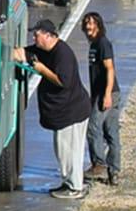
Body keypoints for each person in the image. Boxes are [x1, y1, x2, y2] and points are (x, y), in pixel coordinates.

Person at [19, 19, 90, 198]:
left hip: (72, 112)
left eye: (37, 34)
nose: (34, 37)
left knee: (70, 151)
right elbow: (24, 53)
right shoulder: (43, 50)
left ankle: (75, 187)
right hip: (63, 113)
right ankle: (68, 183)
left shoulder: (62, 54)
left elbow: (62, 81)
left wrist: (42, 69)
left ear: (49, 36)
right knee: (62, 150)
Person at [82, 8, 120, 186]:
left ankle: (99, 165)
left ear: (98, 26)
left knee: (93, 128)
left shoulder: (102, 44)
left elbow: (110, 69)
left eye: (92, 23)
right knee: (111, 133)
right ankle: (114, 171)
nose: (88, 26)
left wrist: (106, 95)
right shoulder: (94, 44)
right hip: (103, 93)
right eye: (87, 23)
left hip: (108, 93)